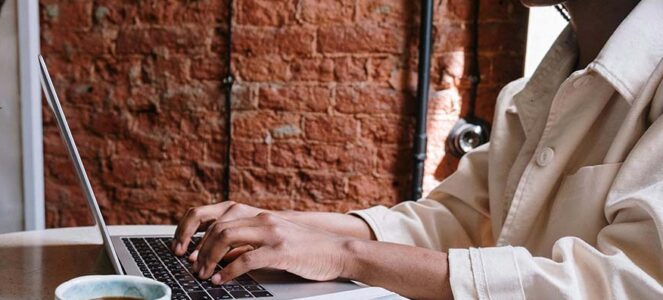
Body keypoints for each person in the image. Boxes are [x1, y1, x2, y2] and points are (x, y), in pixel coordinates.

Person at [171, 0, 663, 298]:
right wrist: (287, 230)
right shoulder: (534, 93)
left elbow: (627, 285)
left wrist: (348, 256)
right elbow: (454, 221)